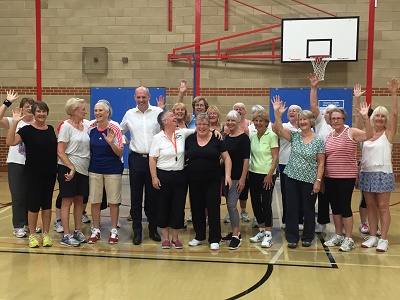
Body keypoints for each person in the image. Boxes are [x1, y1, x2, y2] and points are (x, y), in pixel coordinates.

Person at [273, 97, 325, 248]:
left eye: (305, 120)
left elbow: (321, 163)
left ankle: (308, 236)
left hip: (309, 179)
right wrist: (277, 113)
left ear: (311, 121)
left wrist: (318, 181)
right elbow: (278, 130)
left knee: (308, 209)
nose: (302, 122)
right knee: (291, 208)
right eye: (300, 119)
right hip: (291, 177)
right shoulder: (294, 136)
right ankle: (292, 237)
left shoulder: (318, 140)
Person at [6, 101, 57, 248]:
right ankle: (33, 235)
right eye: (38, 111)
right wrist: (14, 122)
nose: (41, 114)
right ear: (33, 113)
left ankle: (46, 234)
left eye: (44, 111)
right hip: (33, 173)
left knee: (47, 205)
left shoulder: (50, 129)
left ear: (47, 113)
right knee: (33, 205)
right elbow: (10, 142)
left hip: (49, 172)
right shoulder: (27, 130)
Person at [323, 104, 373, 252]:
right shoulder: (328, 136)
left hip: (346, 177)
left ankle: (348, 238)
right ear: (330, 121)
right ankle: (338, 235)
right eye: (333, 119)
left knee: (345, 206)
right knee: (335, 207)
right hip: (330, 176)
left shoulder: (351, 132)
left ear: (344, 119)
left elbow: (369, 135)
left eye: (339, 118)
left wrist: (365, 118)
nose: (336, 121)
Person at [359, 77, 398, 252]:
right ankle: (373, 236)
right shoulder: (365, 134)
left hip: (383, 173)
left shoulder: (388, 134)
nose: (380, 118)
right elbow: (358, 116)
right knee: (371, 206)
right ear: (373, 118)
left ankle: (383, 239)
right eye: (378, 115)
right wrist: (357, 98)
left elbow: (396, 113)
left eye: (383, 116)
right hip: (366, 173)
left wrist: (393, 93)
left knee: (383, 206)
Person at [120, 86, 163, 245]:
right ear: (134, 98)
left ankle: (153, 229)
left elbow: (166, 130)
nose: (141, 100)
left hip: (154, 160)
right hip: (136, 159)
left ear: (149, 96)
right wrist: (123, 139)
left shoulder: (158, 113)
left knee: (153, 198)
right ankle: (137, 232)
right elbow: (120, 130)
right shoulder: (129, 114)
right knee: (136, 197)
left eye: (144, 97)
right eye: (138, 97)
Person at [149, 111, 196, 249]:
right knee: (163, 206)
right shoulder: (158, 138)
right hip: (162, 175)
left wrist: (215, 131)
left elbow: (199, 129)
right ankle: (165, 238)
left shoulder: (182, 133)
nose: (175, 117)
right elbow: (152, 158)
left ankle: (175, 238)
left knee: (178, 207)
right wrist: (154, 177)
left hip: (180, 176)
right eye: (172, 116)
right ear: (165, 121)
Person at [185, 113, 232, 250]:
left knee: (213, 208)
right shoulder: (190, 140)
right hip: (194, 180)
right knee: (196, 208)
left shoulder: (217, 139)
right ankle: (199, 236)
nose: (201, 127)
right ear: (196, 125)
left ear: (209, 125)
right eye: (199, 124)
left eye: (204, 124)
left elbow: (227, 158)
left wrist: (227, 176)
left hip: (213, 180)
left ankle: (214, 238)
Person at [0, 92, 39, 238]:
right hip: (16, 163)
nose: (29, 109)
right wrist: (7, 102)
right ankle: (18, 226)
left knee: (31, 196)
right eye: (26, 107)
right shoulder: (13, 121)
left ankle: (30, 225)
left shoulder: (37, 124)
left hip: (33, 165)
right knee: (18, 196)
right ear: (21, 109)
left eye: (31, 107)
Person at [87, 101, 124, 244]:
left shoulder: (115, 128)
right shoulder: (91, 127)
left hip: (112, 169)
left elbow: (120, 152)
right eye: (95, 110)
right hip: (95, 169)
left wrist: (111, 142)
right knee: (95, 201)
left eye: (100, 110)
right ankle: (95, 229)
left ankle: (114, 230)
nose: (97, 113)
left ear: (107, 112)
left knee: (113, 202)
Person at [57, 98, 90, 247]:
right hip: (68, 167)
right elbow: (60, 151)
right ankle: (66, 235)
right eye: (82, 109)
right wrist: (71, 167)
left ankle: (77, 230)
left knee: (79, 200)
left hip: (83, 167)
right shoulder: (66, 127)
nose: (85, 111)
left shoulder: (86, 125)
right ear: (74, 111)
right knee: (67, 200)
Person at [309, 73, 338, 233]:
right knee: (316, 192)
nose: (331, 116)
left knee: (330, 195)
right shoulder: (321, 124)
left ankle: (331, 222)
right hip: (317, 165)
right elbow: (313, 106)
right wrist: (314, 87)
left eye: (334, 114)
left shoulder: (344, 129)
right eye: (328, 113)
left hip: (334, 167)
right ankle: (315, 219)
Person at [248, 109, 278, 248]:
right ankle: (260, 230)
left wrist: (270, 174)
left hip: (267, 174)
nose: (258, 123)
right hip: (253, 173)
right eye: (256, 121)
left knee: (266, 203)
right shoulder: (252, 137)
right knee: (255, 202)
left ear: (266, 122)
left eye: (261, 121)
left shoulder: (271, 135)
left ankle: (268, 234)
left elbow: (275, 157)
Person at [220, 110, 250, 250]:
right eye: (228, 120)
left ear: (238, 121)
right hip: (225, 177)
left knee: (232, 205)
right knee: (229, 205)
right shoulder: (226, 137)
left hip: (237, 177)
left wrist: (243, 179)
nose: (230, 123)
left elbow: (246, 160)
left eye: (233, 120)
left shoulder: (244, 138)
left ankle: (236, 236)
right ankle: (234, 232)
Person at [276, 104, 303, 231]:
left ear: (300, 114)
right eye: (290, 111)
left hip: (302, 165)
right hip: (285, 163)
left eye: (295, 111)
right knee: (286, 193)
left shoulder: (305, 127)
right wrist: (278, 115)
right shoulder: (284, 126)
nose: (292, 112)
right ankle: (286, 219)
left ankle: (300, 219)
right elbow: (277, 130)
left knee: (301, 193)